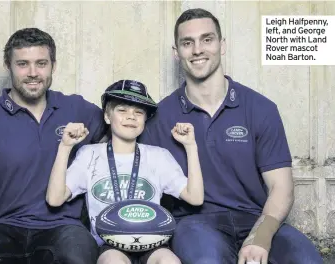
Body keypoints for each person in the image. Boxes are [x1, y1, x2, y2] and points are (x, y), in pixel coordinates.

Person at [138, 8, 323, 264]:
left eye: (207, 39)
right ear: (176, 52)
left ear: (222, 45)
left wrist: (261, 237)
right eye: (187, 43)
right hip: (194, 224)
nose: (198, 50)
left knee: (307, 260)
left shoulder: (260, 108)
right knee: (206, 260)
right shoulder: (160, 117)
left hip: (256, 217)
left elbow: (281, 187)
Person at [0, 28, 106, 264]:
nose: (33, 73)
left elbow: (123, 126)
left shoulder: (77, 109)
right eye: (23, 64)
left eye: (41, 63)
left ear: (53, 66)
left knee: (78, 255)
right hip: (5, 228)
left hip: (63, 229)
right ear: (9, 66)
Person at [46, 79, 205, 264]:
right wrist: (65, 147)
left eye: (139, 112)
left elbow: (195, 198)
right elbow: (54, 199)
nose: (131, 116)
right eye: (122, 110)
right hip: (109, 244)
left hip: (151, 241)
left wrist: (191, 146)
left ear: (145, 120)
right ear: (107, 116)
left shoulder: (159, 157)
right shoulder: (89, 155)